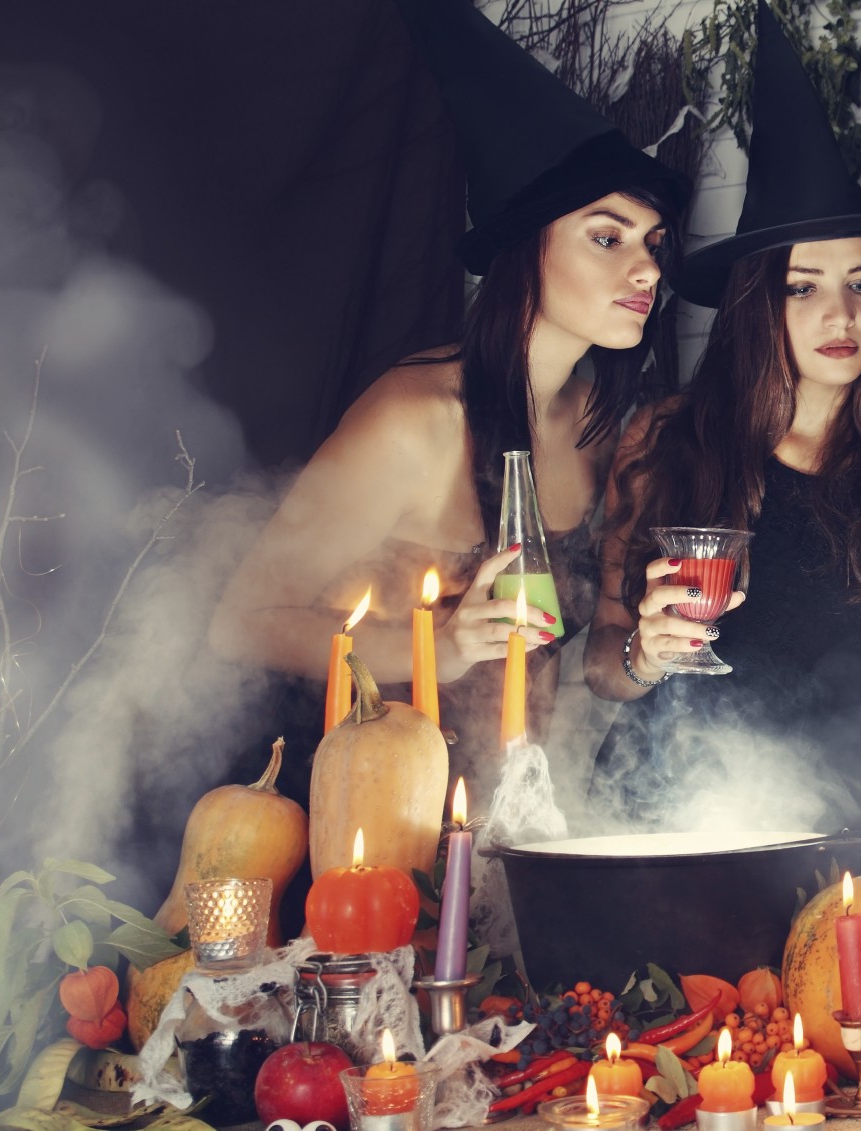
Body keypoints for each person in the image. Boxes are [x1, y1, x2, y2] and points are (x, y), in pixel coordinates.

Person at [209, 0, 688, 776]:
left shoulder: (596, 424)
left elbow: (580, 654)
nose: (646, 269)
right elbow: (242, 621)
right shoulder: (417, 420)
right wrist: (441, 644)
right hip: (357, 801)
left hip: (504, 812)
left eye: (654, 245)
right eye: (608, 237)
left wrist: (649, 642)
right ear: (525, 249)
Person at [582, 4, 861, 861]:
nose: (840, 314)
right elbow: (602, 667)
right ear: (757, 302)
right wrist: (645, 652)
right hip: (650, 818)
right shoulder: (668, 436)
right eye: (803, 287)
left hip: (817, 822)